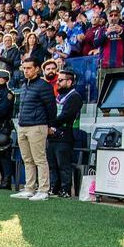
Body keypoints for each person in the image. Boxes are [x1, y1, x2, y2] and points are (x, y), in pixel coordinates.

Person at [10, 58, 57, 201]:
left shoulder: (44, 86)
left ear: (37, 69)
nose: (26, 71)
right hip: (23, 125)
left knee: (40, 159)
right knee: (27, 159)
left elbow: (51, 107)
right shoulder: (24, 85)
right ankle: (29, 188)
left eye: (29, 68)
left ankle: (43, 190)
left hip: (37, 126)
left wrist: (50, 126)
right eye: (24, 68)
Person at [47, 69, 83, 198]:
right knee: (52, 164)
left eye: (60, 80)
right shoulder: (58, 96)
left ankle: (65, 190)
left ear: (69, 81)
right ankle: (54, 188)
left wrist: (50, 124)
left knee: (63, 165)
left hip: (65, 134)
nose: (58, 83)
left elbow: (66, 115)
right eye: (57, 81)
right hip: (53, 135)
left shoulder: (75, 97)